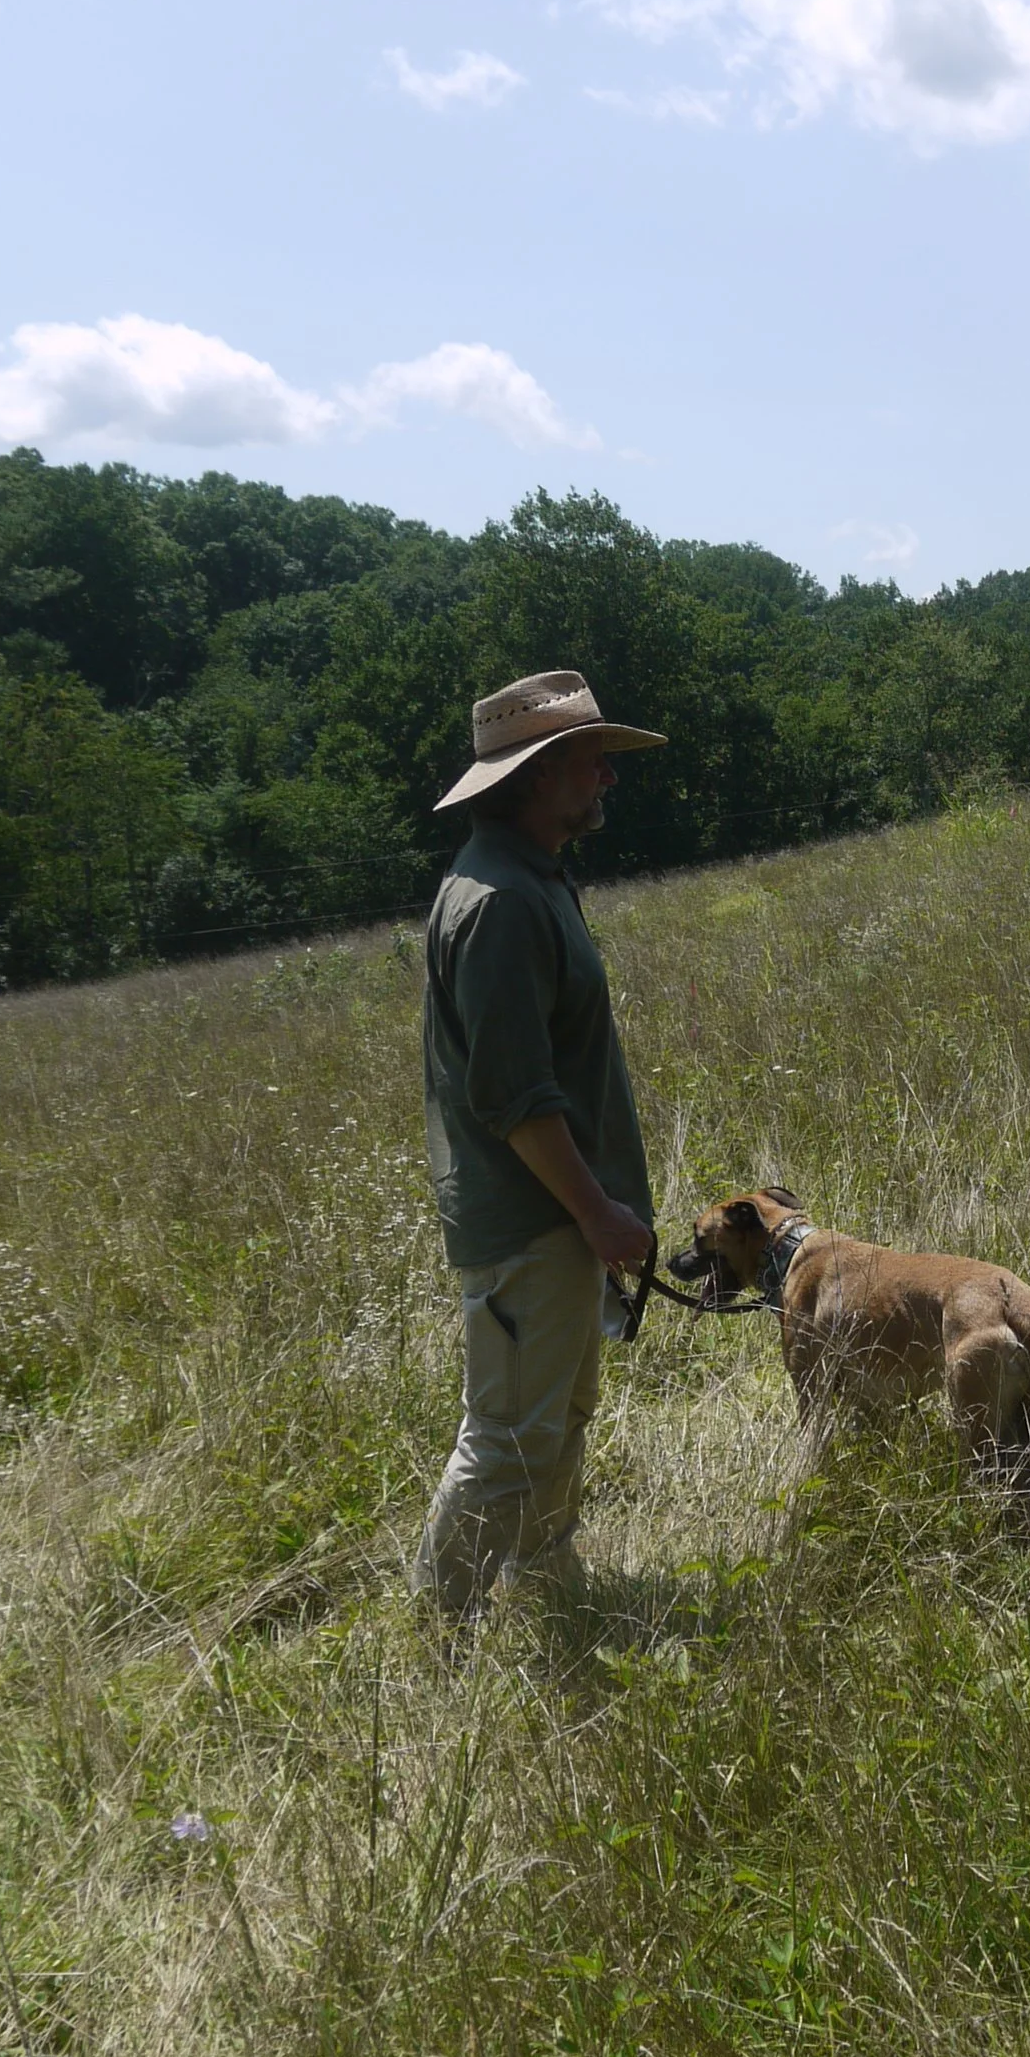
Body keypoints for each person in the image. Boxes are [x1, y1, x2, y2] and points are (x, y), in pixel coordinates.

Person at [412, 669, 666, 1612]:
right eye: (592, 761)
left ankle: (552, 1596)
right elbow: (514, 1097)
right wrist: (598, 1213)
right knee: (512, 1438)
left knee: (557, 1421)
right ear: (536, 774)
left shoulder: (528, 878)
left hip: (559, 1221)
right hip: (538, 1222)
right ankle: (439, 1645)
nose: (607, 778)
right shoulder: (502, 904)